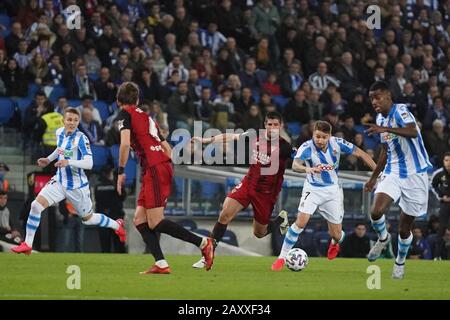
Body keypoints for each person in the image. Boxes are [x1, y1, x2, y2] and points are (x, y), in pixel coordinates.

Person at [115, 82, 215, 274]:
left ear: (118, 100)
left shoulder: (124, 114)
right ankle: (161, 263)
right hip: (158, 166)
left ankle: (203, 242)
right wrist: (169, 166)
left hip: (154, 168)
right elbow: (165, 144)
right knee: (139, 219)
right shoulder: (147, 117)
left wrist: (120, 172)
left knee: (154, 222)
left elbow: (125, 144)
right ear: (136, 100)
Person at [11, 108, 126, 255]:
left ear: (78, 122)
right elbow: (59, 150)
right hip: (59, 181)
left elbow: (89, 163)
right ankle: (27, 244)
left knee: (88, 219)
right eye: (69, 120)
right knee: (35, 205)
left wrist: (69, 162)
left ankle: (117, 225)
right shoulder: (59, 132)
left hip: (77, 186)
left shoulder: (81, 139)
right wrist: (48, 159)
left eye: (75, 120)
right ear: (63, 121)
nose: (72, 123)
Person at [191, 111, 293, 269]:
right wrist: (206, 140)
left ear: (281, 126)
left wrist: (313, 168)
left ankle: (280, 220)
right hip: (248, 184)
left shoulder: (285, 147)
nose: (272, 128)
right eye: (269, 124)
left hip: (265, 194)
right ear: (265, 125)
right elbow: (230, 136)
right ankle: (207, 256)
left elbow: (301, 158)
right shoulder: (255, 136)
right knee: (225, 213)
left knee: (259, 233)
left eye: (275, 125)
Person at [271, 120, 376, 270]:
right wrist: (307, 170)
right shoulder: (307, 147)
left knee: (337, 234)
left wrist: (377, 172)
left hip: (332, 191)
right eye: (317, 136)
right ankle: (281, 258)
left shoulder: (337, 143)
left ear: (330, 136)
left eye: (323, 137)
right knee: (301, 221)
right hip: (312, 189)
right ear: (313, 134)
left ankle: (335, 243)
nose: (320, 140)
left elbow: (360, 153)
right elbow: (295, 165)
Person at [364, 80, 432, 279]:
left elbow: (412, 131)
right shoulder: (380, 119)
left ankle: (400, 262)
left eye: (377, 97)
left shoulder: (401, 111)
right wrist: (373, 178)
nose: (374, 102)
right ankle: (383, 238)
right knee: (376, 212)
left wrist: (387, 130)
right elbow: (385, 151)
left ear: (388, 96)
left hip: (415, 175)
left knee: (404, 228)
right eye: (371, 99)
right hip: (393, 171)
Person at [95, 167, 126, 253]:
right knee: (118, 242)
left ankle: (105, 259)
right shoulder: (115, 185)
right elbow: (122, 196)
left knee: (105, 243)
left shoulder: (97, 187)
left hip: (103, 217)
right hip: (116, 216)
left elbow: (98, 201)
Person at [431, 152, 450, 260]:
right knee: (441, 230)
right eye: (446, 160)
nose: (448, 163)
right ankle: (437, 256)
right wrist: (441, 196)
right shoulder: (439, 174)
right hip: (445, 205)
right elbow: (433, 186)